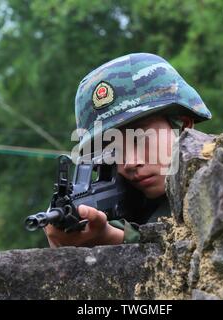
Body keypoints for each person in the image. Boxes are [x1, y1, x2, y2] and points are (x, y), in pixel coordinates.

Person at [44, 53, 211, 247]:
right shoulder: (132, 204)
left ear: (183, 126)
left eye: (141, 140)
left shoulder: (221, 177)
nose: (130, 163)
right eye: (113, 150)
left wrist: (118, 238)